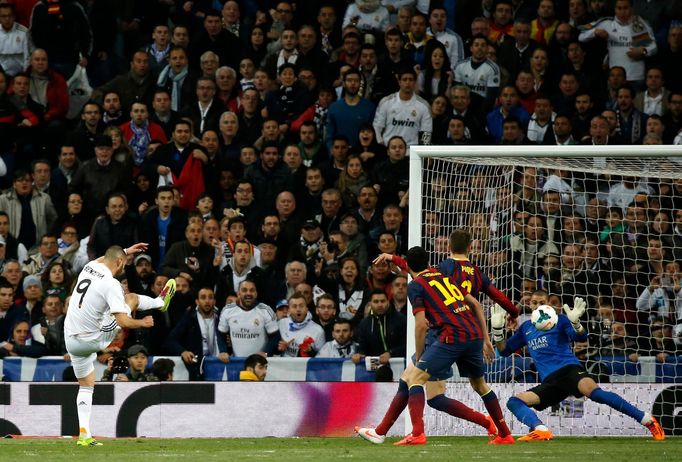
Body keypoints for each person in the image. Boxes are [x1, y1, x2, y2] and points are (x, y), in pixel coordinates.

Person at [491, 297, 665, 441]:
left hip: (569, 369)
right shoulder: (526, 328)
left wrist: (576, 324)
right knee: (514, 401)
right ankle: (541, 429)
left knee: (595, 393)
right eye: (534, 303)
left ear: (551, 305)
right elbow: (504, 350)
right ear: (530, 306)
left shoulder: (561, 320)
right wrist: (498, 331)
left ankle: (647, 419)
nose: (538, 306)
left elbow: (580, 336)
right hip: (551, 381)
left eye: (542, 301)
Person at [63, 243, 176, 446]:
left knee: (86, 384)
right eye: (123, 264)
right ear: (118, 262)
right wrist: (142, 322)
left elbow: (107, 257)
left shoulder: (90, 266)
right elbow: (123, 322)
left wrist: (126, 251)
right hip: (94, 338)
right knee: (131, 299)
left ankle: (84, 435)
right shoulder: (111, 283)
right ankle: (160, 303)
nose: (123, 269)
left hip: (71, 339)